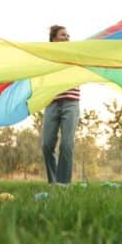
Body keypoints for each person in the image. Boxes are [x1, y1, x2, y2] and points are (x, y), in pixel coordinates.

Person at [41, 25, 80, 185]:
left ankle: (63, 184)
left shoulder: (75, 54)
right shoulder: (46, 57)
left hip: (71, 103)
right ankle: (53, 181)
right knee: (46, 145)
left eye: (68, 35)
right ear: (53, 39)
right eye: (63, 35)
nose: (67, 37)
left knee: (66, 145)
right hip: (51, 103)